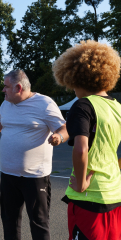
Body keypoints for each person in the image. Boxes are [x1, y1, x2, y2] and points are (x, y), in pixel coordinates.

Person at [0, 69, 68, 240]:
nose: (3, 90)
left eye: (6, 86)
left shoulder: (45, 104)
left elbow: (64, 127)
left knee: (39, 223)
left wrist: (59, 136)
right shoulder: (6, 104)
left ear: (18, 87)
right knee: (9, 222)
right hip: (8, 175)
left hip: (35, 177)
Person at [52, 40, 121, 240]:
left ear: (77, 77)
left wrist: (81, 183)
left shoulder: (83, 106)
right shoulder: (117, 107)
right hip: (115, 194)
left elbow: (81, 149)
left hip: (89, 198)